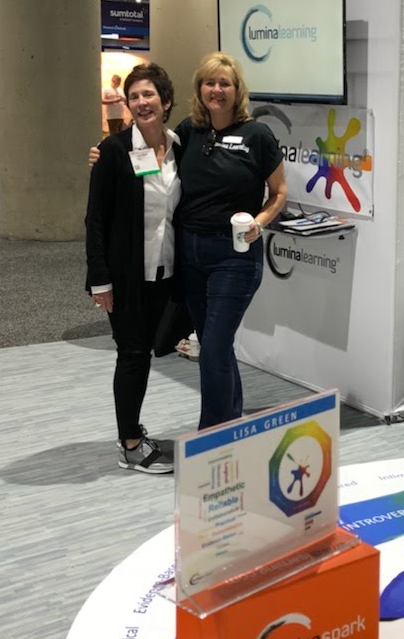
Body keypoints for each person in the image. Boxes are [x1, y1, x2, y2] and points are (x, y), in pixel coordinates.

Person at [174, 53, 288, 429]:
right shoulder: (188, 130)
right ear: (199, 89)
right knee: (215, 347)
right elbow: (151, 154)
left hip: (234, 257)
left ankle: (211, 437)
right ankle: (232, 428)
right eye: (209, 83)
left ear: (237, 90)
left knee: (213, 349)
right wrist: (106, 154)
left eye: (225, 83)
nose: (217, 90)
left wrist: (260, 222)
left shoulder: (258, 135)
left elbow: (279, 192)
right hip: (190, 253)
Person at [86, 63, 180, 474]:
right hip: (126, 276)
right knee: (133, 355)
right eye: (135, 96)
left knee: (147, 351)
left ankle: (133, 435)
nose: (141, 103)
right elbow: (95, 219)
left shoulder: (180, 147)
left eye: (149, 95)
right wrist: (99, 280)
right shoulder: (113, 150)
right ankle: (129, 444)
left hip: (166, 271)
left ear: (166, 101)